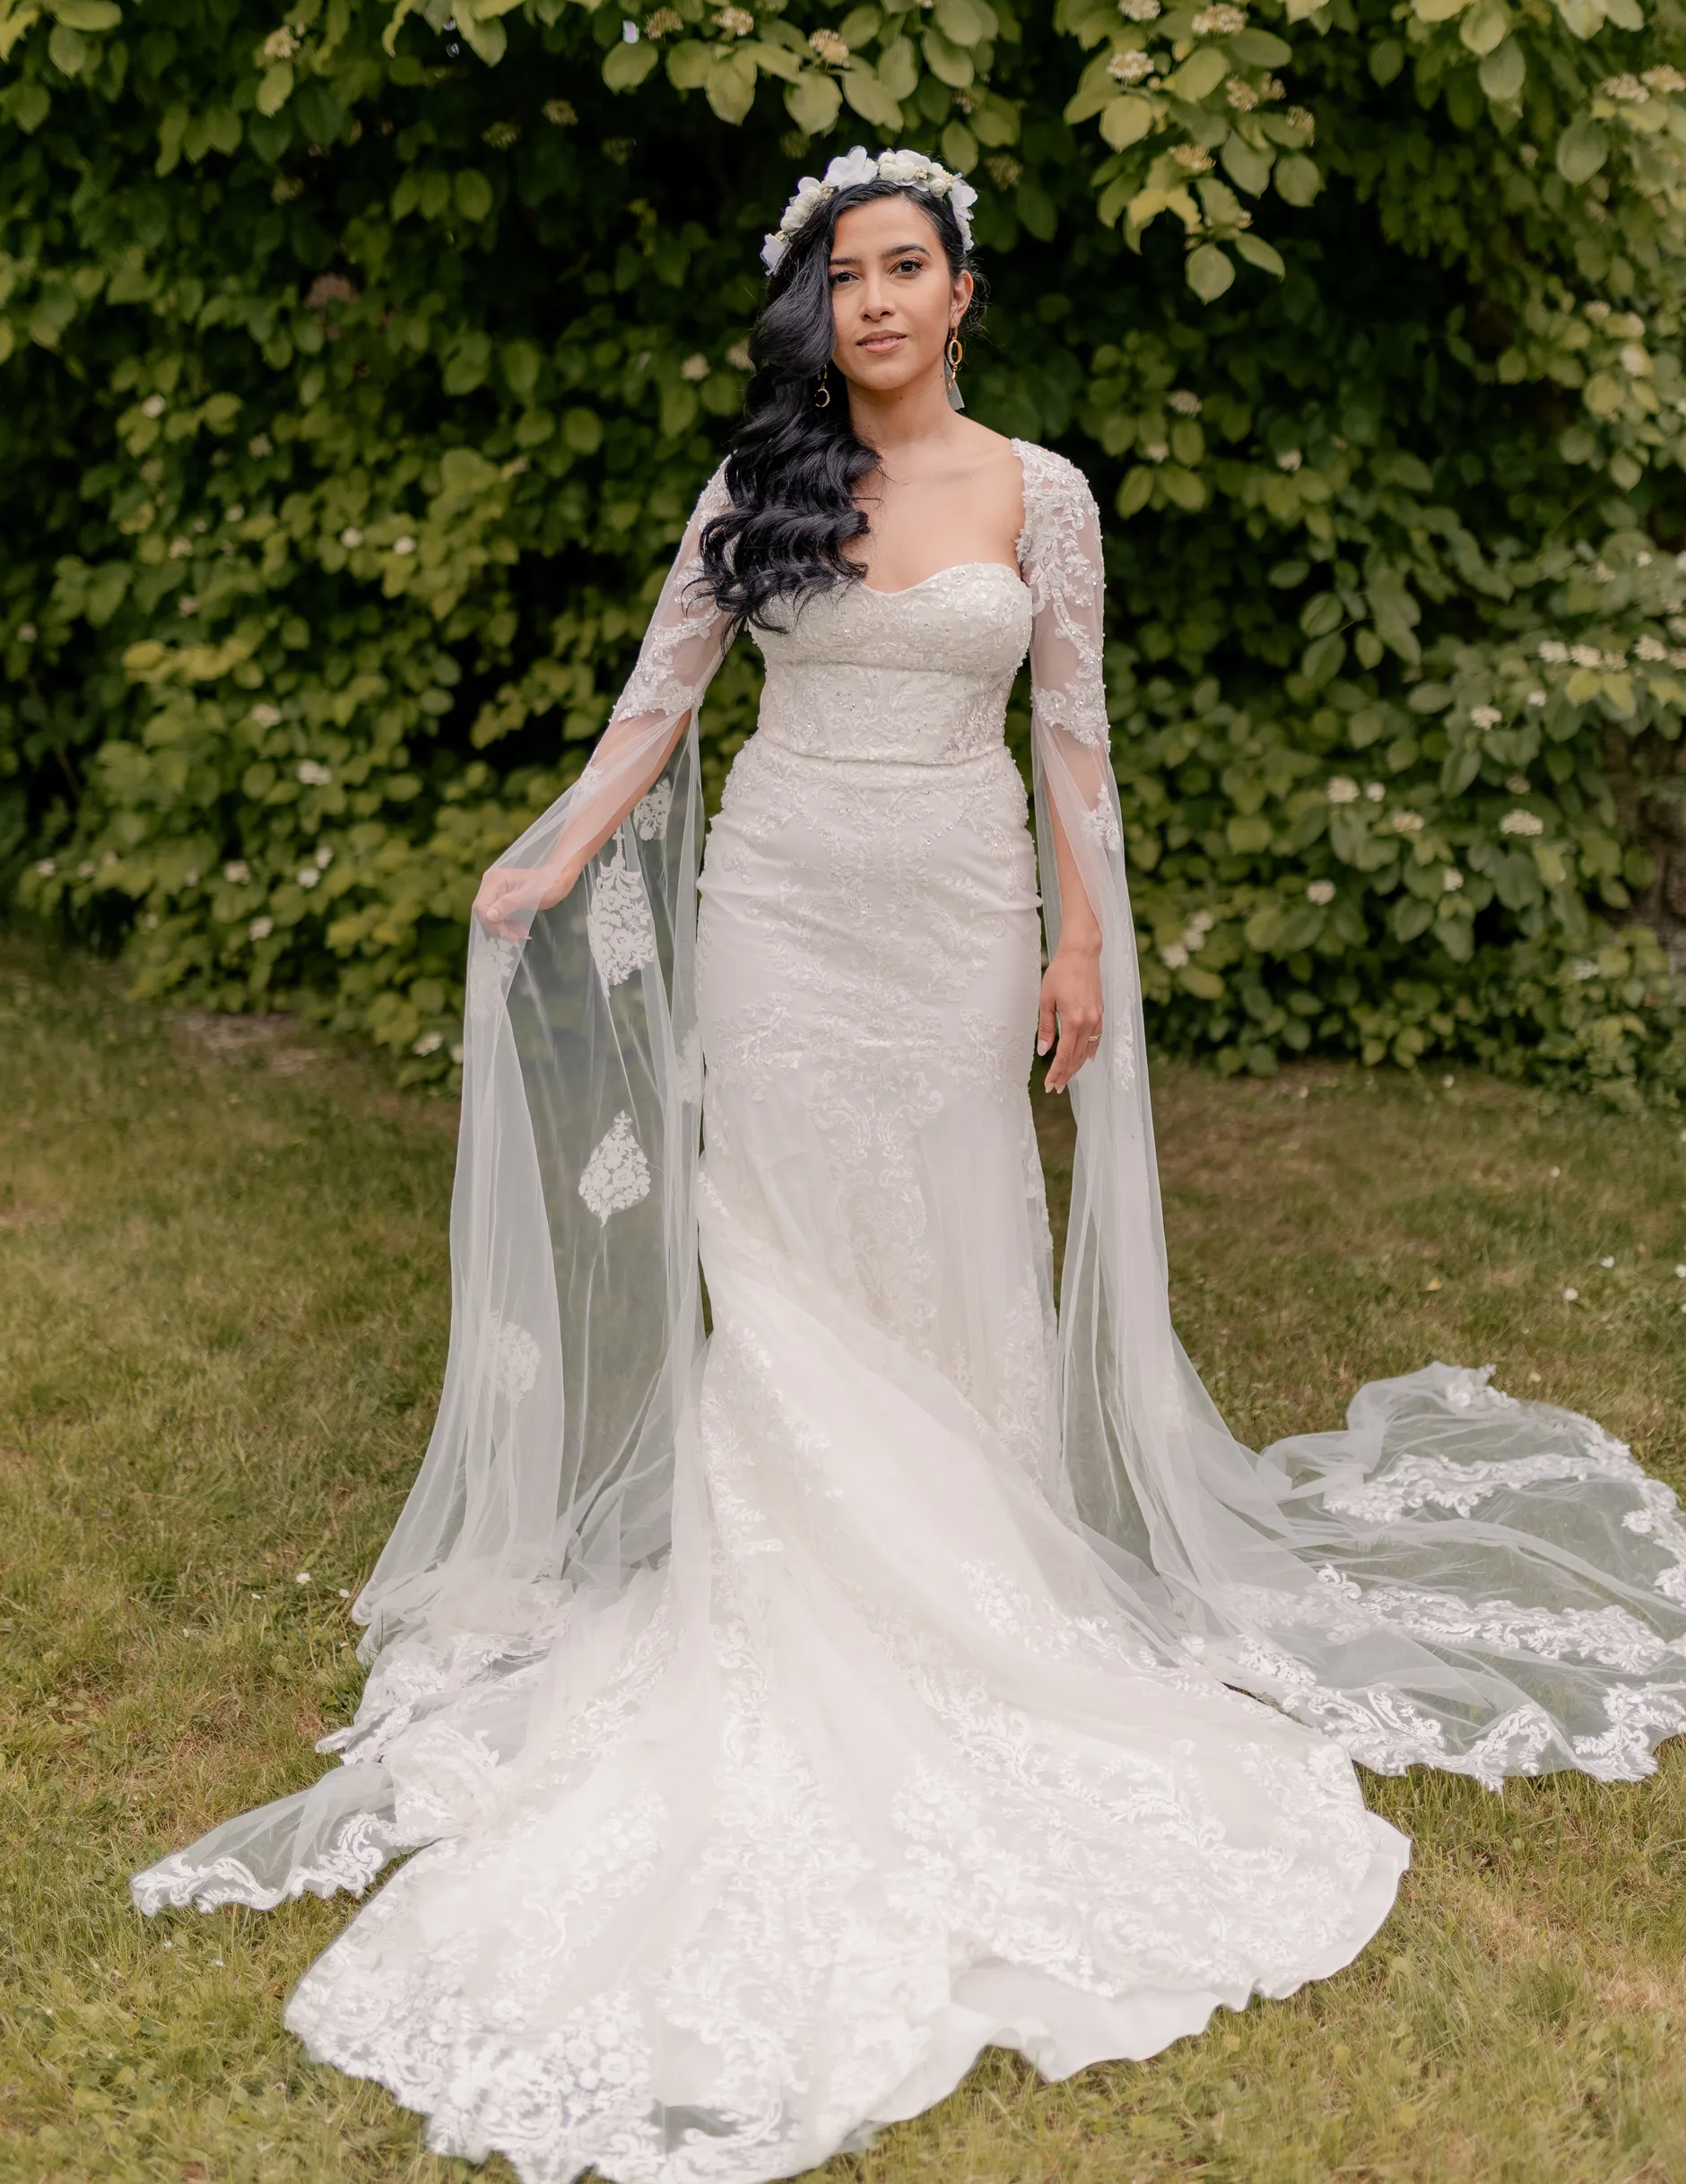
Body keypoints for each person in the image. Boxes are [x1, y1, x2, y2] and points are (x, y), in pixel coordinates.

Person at [135, 148, 1686, 2184]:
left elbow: (1074, 740)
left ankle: (976, 1578)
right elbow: (656, 707)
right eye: (840, 278)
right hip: (780, 914)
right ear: (818, 311)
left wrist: (1076, 941)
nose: (870, 304)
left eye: (902, 271)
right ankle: (798, 1581)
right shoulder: (751, 490)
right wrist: (556, 850)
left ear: (958, 295)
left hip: (951, 917)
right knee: (771, 1255)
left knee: (939, 1241)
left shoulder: (1038, 498)